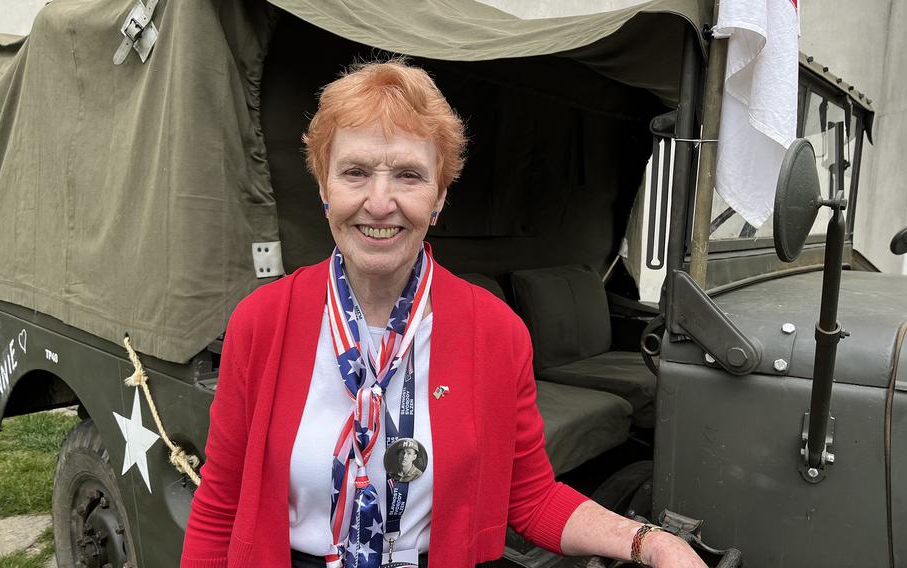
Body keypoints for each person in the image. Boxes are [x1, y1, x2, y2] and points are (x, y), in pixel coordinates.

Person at [180, 59, 707, 568]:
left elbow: (531, 498)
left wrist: (650, 542)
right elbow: (219, 504)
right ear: (323, 188)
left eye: (408, 175)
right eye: (355, 173)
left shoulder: (496, 332)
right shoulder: (262, 321)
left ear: (439, 196)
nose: (380, 202)